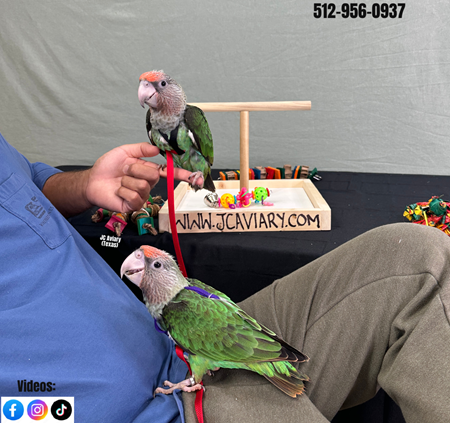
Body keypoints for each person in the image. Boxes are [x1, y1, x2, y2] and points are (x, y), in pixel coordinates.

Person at [2, 132, 450, 423]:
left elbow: (28, 178)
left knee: (417, 257)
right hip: (154, 408)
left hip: (188, 351)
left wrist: (82, 185)